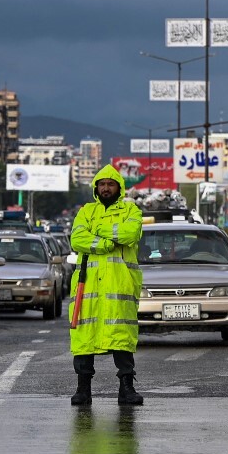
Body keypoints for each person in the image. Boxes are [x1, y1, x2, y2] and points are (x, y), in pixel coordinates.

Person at [69, 164, 144, 406]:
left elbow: (131, 233)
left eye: (110, 184)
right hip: (87, 288)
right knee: (84, 338)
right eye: (102, 184)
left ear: (119, 187)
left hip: (119, 287)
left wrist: (99, 230)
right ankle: (83, 390)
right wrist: (105, 244)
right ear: (96, 188)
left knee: (121, 337)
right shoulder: (85, 211)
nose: (106, 188)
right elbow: (77, 239)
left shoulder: (131, 210)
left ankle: (127, 388)